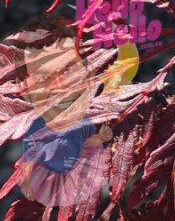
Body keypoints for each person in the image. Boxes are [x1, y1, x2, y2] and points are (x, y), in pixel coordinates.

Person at [14, 11, 112, 207]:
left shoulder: (89, 120)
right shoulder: (37, 130)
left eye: (68, 70)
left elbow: (92, 140)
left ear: (89, 70)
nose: (60, 86)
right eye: (43, 78)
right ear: (24, 89)